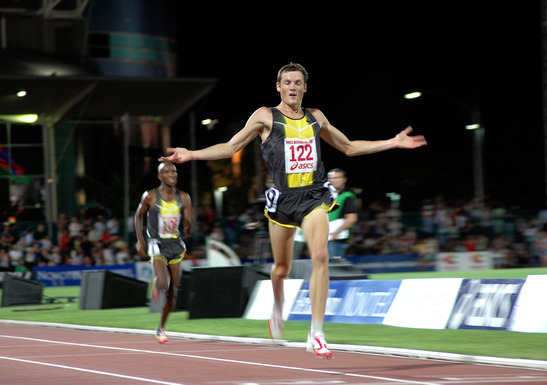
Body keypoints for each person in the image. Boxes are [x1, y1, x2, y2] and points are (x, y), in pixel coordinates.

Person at [159, 62, 426, 358]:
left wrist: (393, 142)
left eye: (298, 83)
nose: (293, 87)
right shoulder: (265, 116)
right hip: (283, 201)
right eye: (287, 82)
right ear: (279, 87)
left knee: (321, 256)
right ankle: (277, 305)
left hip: (314, 196)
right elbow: (230, 147)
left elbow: (349, 147)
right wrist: (191, 154)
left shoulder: (316, 118)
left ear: (305, 88)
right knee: (282, 269)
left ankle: (317, 332)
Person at [135, 162, 194, 344]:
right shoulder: (151, 196)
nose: (171, 174)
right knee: (162, 282)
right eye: (166, 172)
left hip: (175, 245)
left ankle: (161, 327)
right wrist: (140, 241)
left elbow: (188, 226)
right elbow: (138, 216)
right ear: (160, 176)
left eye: (174, 171)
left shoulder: (184, 197)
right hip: (157, 243)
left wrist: (189, 225)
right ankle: (155, 283)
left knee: (172, 293)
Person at [326, 168, 358, 259]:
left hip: (336, 237)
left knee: (334, 265)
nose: (333, 180)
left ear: (344, 179)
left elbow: (352, 218)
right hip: (326, 236)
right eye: (331, 178)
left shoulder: (347, 196)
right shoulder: (327, 195)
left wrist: (337, 231)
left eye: (337, 178)